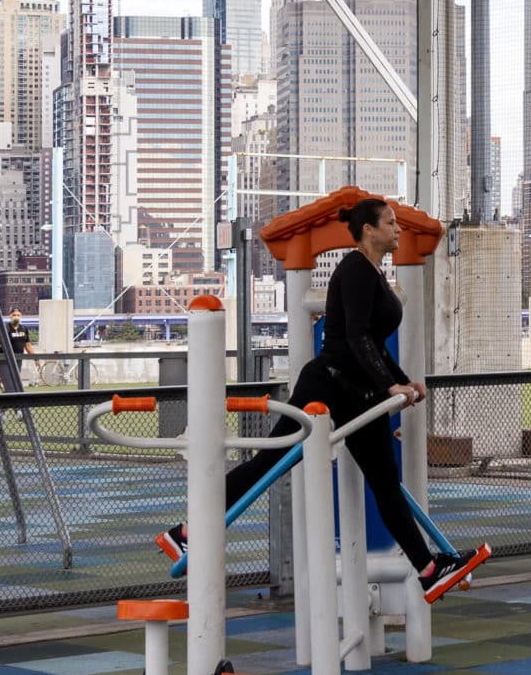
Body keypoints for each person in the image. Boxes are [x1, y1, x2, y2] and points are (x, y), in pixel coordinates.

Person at [162, 196, 489, 603]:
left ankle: (427, 569)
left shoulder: (374, 273)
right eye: (390, 223)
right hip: (329, 384)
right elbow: (354, 337)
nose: (398, 229)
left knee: (385, 482)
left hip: (357, 392)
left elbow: (374, 342)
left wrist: (404, 381)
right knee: (272, 461)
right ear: (368, 231)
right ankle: (187, 532)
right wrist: (391, 387)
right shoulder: (354, 270)